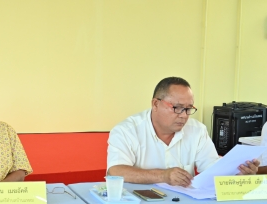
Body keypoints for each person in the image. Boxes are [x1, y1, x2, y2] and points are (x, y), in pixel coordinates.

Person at [107, 76, 259, 187]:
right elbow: (115, 171)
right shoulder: (127, 131)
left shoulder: (197, 130)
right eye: (177, 108)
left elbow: (212, 168)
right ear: (155, 104)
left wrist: (239, 172)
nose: (184, 115)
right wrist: (163, 175)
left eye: (188, 109)